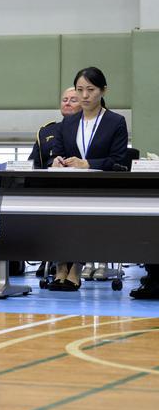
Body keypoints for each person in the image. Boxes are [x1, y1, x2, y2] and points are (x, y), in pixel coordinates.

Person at [47, 67, 129, 291]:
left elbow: (119, 160)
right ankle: (61, 266)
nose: (84, 96)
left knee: (81, 214)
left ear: (103, 91)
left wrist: (88, 163)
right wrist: (56, 161)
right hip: (68, 186)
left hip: (100, 188)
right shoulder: (69, 123)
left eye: (90, 90)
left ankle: (74, 268)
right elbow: (57, 152)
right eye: (80, 90)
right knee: (58, 213)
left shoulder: (115, 122)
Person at [29, 87, 79, 168]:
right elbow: (33, 164)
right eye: (64, 100)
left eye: (73, 100)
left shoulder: (88, 129)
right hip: (48, 178)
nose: (67, 103)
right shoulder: (45, 132)